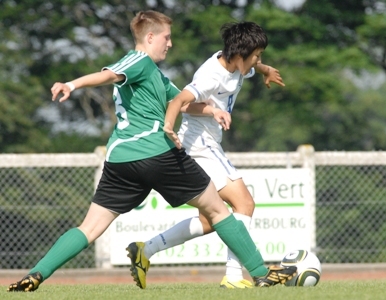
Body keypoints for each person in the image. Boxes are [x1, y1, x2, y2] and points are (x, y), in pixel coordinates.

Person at [7, 11, 296, 292]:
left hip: (120, 161)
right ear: (149, 37)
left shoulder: (158, 77)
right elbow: (109, 75)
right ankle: (259, 272)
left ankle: (36, 274)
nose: (170, 44)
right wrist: (72, 84)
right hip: (157, 152)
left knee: (90, 228)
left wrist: (211, 110)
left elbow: (183, 103)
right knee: (219, 210)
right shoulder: (140, 61)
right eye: (166, 38)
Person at [128, 21, 287, 289]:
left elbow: (250, 66)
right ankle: (235, 276)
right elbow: (180, 102)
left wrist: (264, 69)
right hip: (201, 146)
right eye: (257, 55)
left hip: (209, 144)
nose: (258, 59)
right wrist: (176, 124)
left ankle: (146, 250)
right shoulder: (212, 74)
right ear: (240, 54)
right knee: (244, 204)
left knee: (211, 219)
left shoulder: (236, 64)